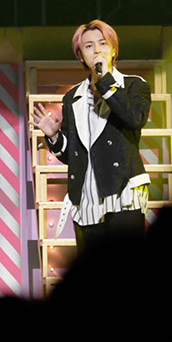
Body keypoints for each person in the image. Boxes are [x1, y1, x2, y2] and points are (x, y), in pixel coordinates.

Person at [32, 19, 151, 249]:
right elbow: (72, 155)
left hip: (124, 192)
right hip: (86, 198)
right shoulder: (72, 97)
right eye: (88, 46)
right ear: (80, 56)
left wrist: (105, 82)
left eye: (103, 43)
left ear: (114, 50)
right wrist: (54, 137)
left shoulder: (133, 86)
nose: (97, 50)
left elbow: (134, 118)